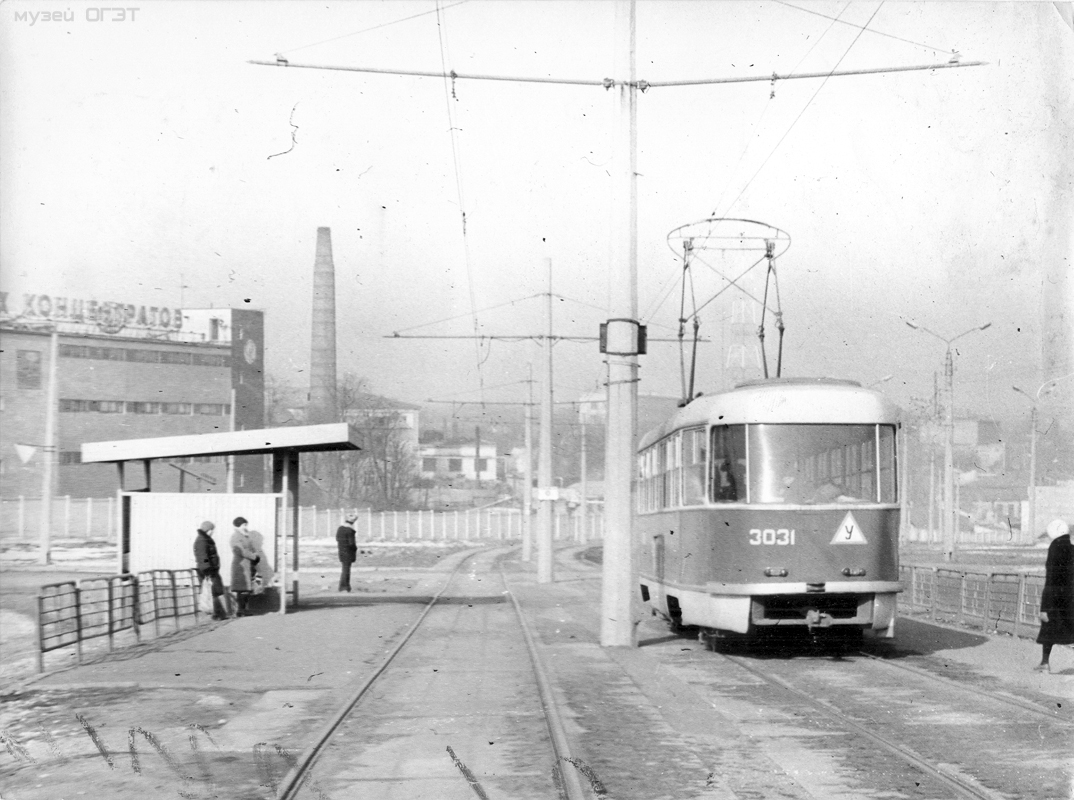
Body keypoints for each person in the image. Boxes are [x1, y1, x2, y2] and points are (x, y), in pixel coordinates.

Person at [1036, 518, 1073, 672]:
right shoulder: (1072, 548)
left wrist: (1044, 607)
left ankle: (1045, 663)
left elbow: (1051, 578)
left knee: (1049, 630)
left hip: (1056, 598)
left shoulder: (1054, 547)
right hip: (1072, 598)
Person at [193, 521, 227, 620]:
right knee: (212, 592)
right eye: (212, 530)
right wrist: (207, 569)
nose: (213, 532)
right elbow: (203, 556)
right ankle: (215, 614)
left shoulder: (205, 539)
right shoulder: (202, 541)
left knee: (216, 591)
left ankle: (219, 614)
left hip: (211, 570)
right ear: (209, 530)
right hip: (208, 571)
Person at [229, 516, 260, 616]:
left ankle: (243, 610)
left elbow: (250, 548)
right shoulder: (235, 537)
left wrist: (255, 555)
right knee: (242, 589)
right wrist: (254, 557)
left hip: (247, 565)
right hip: (240, 566)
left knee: (246, 589)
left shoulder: (244, 536)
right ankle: (240, 611)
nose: (246, 527)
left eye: (246, 525)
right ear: (238, 526)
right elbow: (241, 551)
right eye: (244, 525)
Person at [336, 512, 358, 592]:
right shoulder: (350, 530)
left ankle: (343, 586)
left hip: (341, 551)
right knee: (346, 570)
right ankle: (344, 587)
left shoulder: (340, 528)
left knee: (344, 569)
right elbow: (351, 543)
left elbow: (337, 539)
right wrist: (355, 549)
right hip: (348, 552)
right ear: (353, 522)